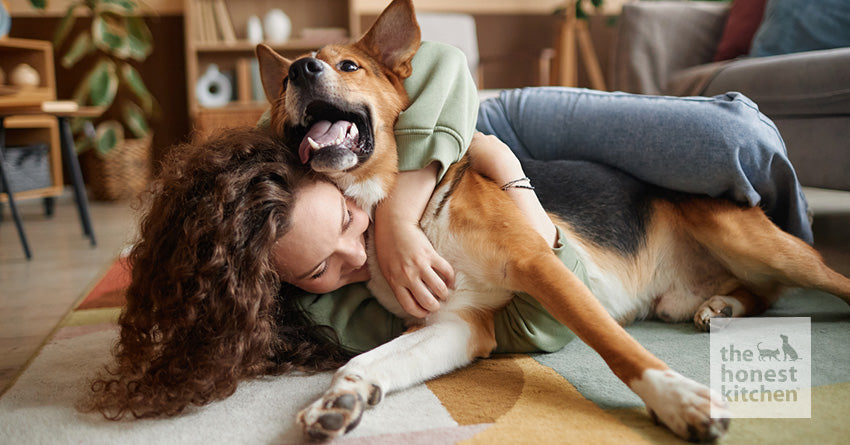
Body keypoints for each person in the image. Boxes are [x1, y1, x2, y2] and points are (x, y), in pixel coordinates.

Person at [88, 42, 812, 420]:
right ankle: (749, 294)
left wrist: (401, 212)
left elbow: (437, 66)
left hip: (477, 118)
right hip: (585, 243)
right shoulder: (279, 257)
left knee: (738, 145)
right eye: (318, 269)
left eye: (346, 221)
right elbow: (475, 327)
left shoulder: (275, 138)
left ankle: (785, 261)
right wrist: (364, 374)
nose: (354, 248)